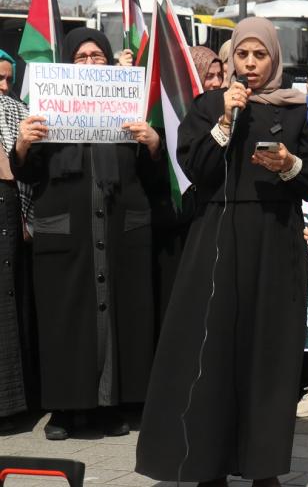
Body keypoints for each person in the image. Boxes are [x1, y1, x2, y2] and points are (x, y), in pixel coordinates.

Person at [135, 17, 308, 486]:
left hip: (276, 241)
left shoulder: (299, 109)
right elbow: (196, 169)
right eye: (242, 55)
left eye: (259, 55)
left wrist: (290, 165)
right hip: (217, 240)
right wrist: (225, 121)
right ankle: (209, 467)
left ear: (274, 58)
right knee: (213, 353)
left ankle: (263, 467)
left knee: (269, 355)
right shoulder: (208, 105)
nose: (250, 64)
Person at [10, 28, 161, 440]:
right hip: (65, 233)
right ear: (67, 63)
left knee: (118, 317)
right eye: (81, 57)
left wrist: (152, 144)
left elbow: (153, 178)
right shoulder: (47, 109)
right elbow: (28, 171)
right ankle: (64, 408)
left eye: (98, 56)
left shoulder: (129, 109)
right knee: (65, 318)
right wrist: (22, 145)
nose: (91, 63)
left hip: (120, 229)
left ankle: (111, 406)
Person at [0, 95, 32, 433]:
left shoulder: (11, 111)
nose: (4, 87)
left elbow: (14, 172)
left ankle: (12, 404)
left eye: (9, 79)